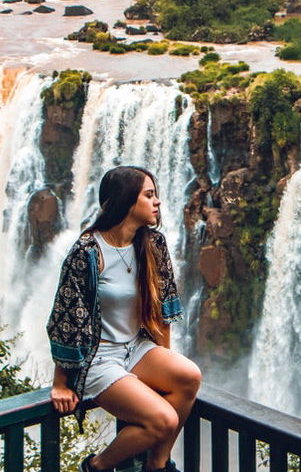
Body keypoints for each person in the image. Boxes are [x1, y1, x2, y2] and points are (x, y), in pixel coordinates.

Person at [47, 166, 202, 472]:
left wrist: (163, 368)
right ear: (126, 201)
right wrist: (61, 382)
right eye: (149, 195)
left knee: (189, 376)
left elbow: (162, 312)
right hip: (99, 357)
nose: (157, 201)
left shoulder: (153, 244)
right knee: (163, 419)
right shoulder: (88, 251)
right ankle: (97, 466)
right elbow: (66, 317)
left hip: (136, 347)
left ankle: (156, 465)